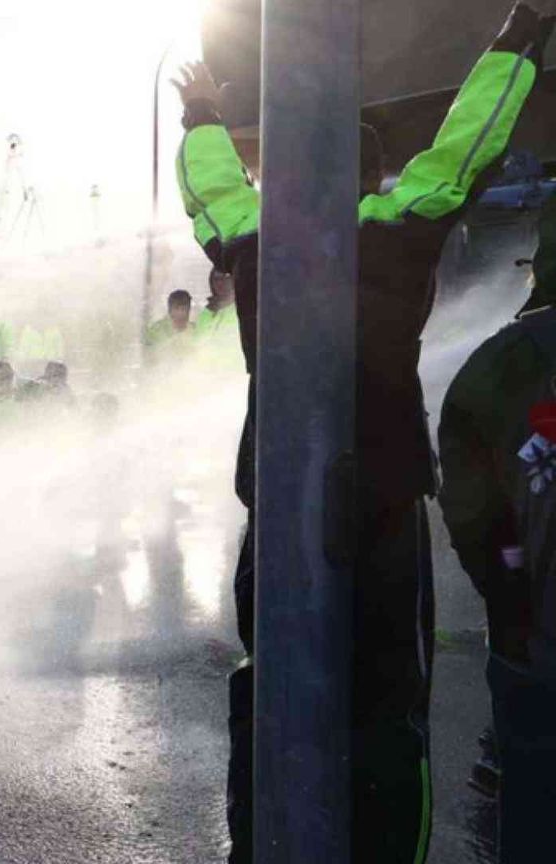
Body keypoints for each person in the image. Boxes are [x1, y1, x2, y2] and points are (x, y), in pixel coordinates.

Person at [171, 6, 547, 860]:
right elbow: (466, 146)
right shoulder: (393, 227)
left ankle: (260, 843)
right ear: (372, 178)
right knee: (389, 704)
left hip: (277, 503)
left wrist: (200, 114)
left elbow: (211, 189)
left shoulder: (254, 238)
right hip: (378, 505)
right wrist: (521, 36)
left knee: (268, 687)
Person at [439, 197, 556, 864]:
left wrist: (506, 592)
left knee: (534, 814)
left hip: (533, 647)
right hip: (531, 645)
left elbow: (471, 505)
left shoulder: (502, 363)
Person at [145, 290, 195, 366]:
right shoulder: (156, 330)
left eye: (184, 309)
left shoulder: (195, 330)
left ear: (189, 310)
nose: (180, 313)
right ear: (170, 310)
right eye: (176, 309)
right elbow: (148, 356)